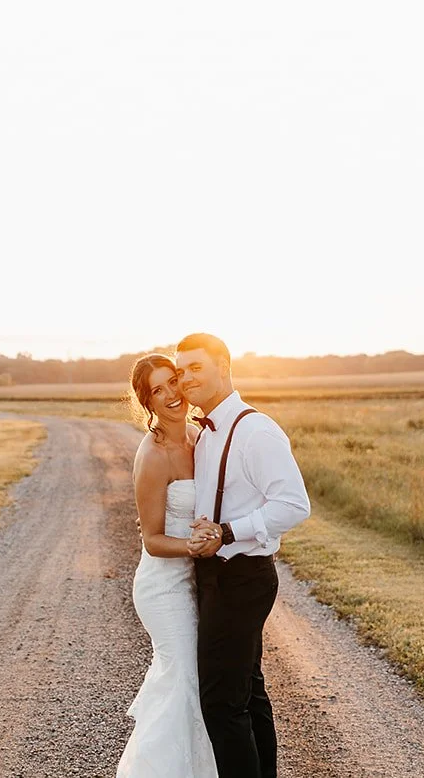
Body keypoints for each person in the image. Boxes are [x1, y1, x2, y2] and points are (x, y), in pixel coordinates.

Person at [177, 332, 310, 778]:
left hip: (243, 577)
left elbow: (294, 504)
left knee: (220, 704)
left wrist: (229, 532)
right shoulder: (205, 432)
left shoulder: (256, 430)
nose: (186, 377)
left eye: (196, 367)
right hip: (214, 575)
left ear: (224, 366)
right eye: (181, 370)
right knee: (248, 694)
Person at [116, 353, 222, 778]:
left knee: (196, 679)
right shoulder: (153, 455)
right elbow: (153, 540)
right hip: (163, 587)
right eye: (156, 391)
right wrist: (196, 547)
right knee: (183, 680)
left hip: (197, 581)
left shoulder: (200, 438)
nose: (169, 395)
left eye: (171, 383)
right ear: (148, 403)